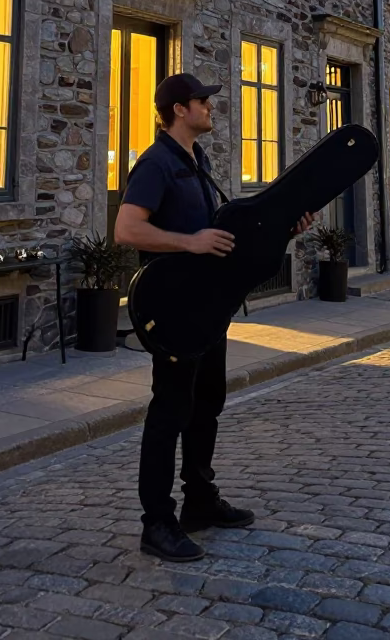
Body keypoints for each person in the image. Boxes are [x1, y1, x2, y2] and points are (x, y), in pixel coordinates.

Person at [114, 72, 315, 563]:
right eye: (203, 101)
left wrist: (285, 232)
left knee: (207, 406)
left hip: (208, 308)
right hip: (176, 312)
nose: (210, 108)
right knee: (170, 412)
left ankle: (199, 501)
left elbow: (224, 239)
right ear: (179, 109)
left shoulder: (197, 162)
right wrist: (190, 242)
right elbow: (126, 229)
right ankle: (156, 522)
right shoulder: (156, 163)